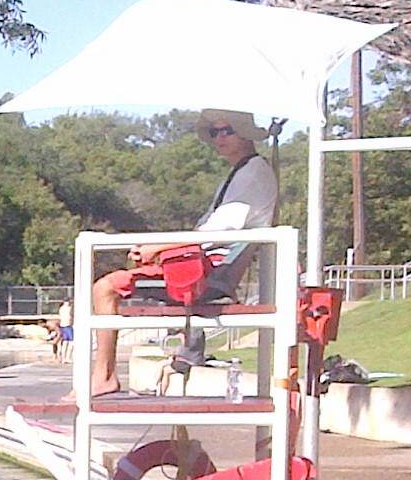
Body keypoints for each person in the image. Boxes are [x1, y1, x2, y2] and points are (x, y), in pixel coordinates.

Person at [88, 110, 279, 397]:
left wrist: (158, 249)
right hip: (204, 267)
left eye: (226, 130)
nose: (219, 138)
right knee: (110, 285)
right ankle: (107, 374)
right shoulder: (244, 171)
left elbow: (216, 231)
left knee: (105, 288)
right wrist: (161, 251)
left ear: (244, 132)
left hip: (209, 274)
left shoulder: (252, 174)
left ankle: (104, 377)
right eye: (214, 133)